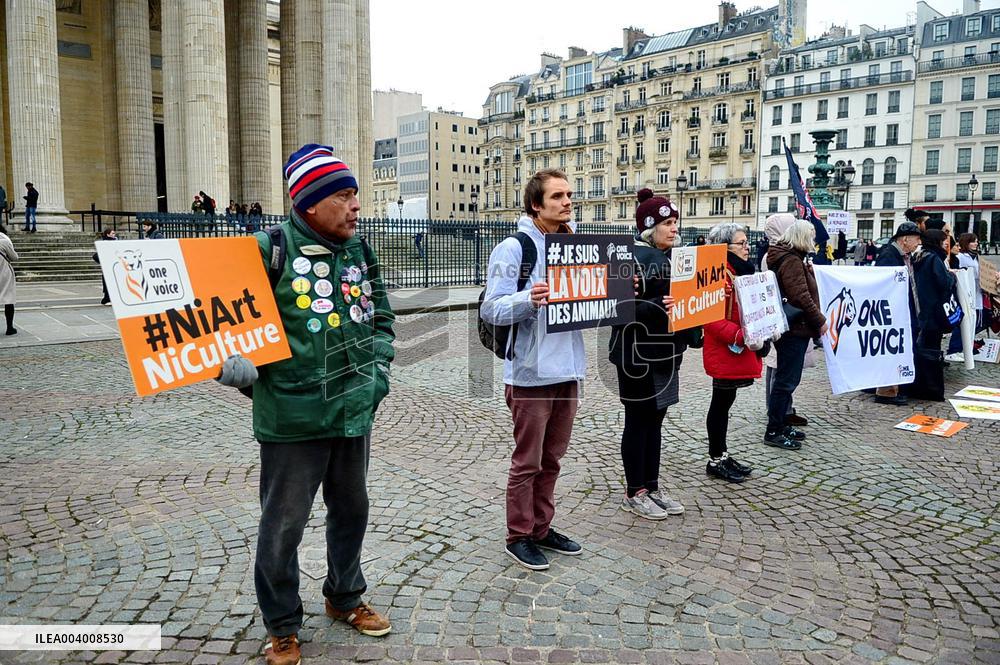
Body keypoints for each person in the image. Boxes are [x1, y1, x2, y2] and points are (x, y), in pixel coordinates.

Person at [214, 145, 395, 665]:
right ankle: (282, 624)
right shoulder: (265, 249)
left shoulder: (360, 250)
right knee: (283, 526)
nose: (356, 205)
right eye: (343, 195)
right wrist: (231, 368)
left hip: (353, 408)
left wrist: (378, 372)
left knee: (352, 511)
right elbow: (214, 325)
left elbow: (381, 315)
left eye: (356, 194)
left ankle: (344, 597)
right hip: (291, 417)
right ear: (310, 202)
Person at [481, 168, 585, 571]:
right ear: (536, 204)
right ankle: (519, 534)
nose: (567, 202)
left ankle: (543, 527)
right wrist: (529, 298)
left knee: (553, 458)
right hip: (530, 372)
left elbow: (588, 301)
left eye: (569, 195)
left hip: (567, 369)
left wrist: (616, 296)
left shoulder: (575, 245)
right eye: (557, 196)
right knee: (528, 460)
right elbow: (492, 306)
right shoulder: (514, 248)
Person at [609, 189, 691, 518]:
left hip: (667, 353)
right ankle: (634, 491)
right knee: (639, 421)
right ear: (648, 227)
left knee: (656, 422)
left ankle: (652, 486)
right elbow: (616, 308)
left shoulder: (676, 259)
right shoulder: (626, 258)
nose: (674, 229)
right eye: (667, 223)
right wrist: (659, 306)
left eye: (675, 222)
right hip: (635, 355)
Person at [702, 222, 764, 482]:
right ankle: (715, 458)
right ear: (724, 247)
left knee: (725, 404)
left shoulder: (740, 271)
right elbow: (709, 316)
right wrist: (739, 335)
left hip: (737, 348)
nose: (747, 247)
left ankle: (722, 454)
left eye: (747, 242)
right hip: (724, 348)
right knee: (720, 404)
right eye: (741, 243)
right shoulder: (717, 273)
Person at [765, 221, 828, 450]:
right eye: (811, 235)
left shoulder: (790, 257)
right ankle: (773, 430)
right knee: (786, 381)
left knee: (787, 379)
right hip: (795, 328)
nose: (814, 240)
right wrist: (819, 320)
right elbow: (800, 295)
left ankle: (780, 424)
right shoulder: (791, 260)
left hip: (794, 327)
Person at [760, 213, 808, 428]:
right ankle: (778, 414)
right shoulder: (779, 255)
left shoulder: (782, 253)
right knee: (780, 371)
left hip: (783, 319)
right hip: (783, 320)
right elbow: (795, 292)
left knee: (782, 370)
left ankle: (782, 410)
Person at [872, 222, 922, 405]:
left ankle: (897, 388)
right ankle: (886, 392)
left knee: (902, 349)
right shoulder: (889, 255)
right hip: (894, 313)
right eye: (916, 239)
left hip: (904, 311)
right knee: (893, 351)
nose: (918, 243)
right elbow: (884, 286)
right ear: (905, 239)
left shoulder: (905, 255)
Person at [910, 229, 958, 401]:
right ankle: (930, 388)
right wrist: (953, 277)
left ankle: (921, 385)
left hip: (923, 309)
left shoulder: (920, 256)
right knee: (931, 349)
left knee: (923, 346)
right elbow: (944, 283)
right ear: (936, 241)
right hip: (934, 309)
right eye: (944, 240)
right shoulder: (934, 258)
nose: (947, 243)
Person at [947, 233, 985, 354]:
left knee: (977, 321)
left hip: (978, 293)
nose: (976, 244)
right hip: (966, 293)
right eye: (973, 241)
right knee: (963, 322)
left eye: (977, 241)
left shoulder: (977, 257)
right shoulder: (961, 257)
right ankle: (955, 348)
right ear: (966, 243)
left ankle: (968, 345)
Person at [0, 224, 18, 335]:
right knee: (8, 299)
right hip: (4, 273)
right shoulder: (4, 242)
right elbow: (14, 257)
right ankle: (9, 328)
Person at [94, 228, 117, 305]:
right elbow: (96, 255)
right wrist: (104, 261)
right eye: (112, 233)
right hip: (108, 267)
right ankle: (107, 298)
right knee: (109, 283)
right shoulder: (106, 243)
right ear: (108, 234)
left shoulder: (115, 242)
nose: (114, 234)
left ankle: (109, 298)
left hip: (113, 266)